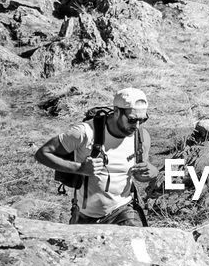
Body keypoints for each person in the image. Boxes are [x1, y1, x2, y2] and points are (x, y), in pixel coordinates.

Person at [34, 88, 157, 226]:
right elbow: (43, 154)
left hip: (123, 210)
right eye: (132, 120)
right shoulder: (84, 132)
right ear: (116, 112)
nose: (137, 125)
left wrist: (152, 172)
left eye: (143, 119)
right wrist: (80, 168)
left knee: (139, 245)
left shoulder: (141, 137)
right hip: (86, 215)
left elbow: (139, 175)